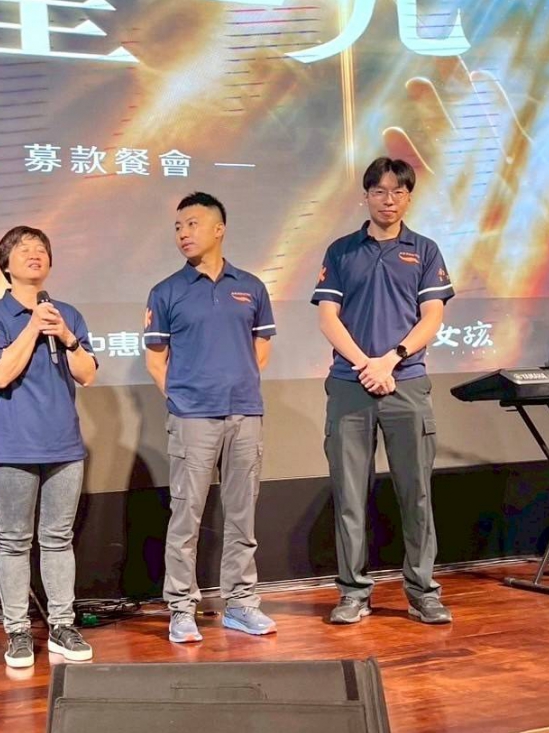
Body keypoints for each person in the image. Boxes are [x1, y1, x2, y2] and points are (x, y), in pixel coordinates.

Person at [311, 157, 455, 625]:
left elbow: (432, 317)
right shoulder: (341, 251)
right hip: (350, 385)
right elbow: (328, 318)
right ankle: (353, 593)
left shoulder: (425, 251)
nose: (388, 200)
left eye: (397, 192)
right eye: (379, 191)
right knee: (350, 495)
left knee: (416, 494)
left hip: (406, 382)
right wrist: (365, 364)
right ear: (366, 196)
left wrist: (391, 359)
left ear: (408, 197)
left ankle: (423, 591)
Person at [144, 192, 277, 644]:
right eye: (178, 226)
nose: (183, 233)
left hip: (245, 414)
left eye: (193, 224)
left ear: (219, 229)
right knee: (186, 516)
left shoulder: (251, 287)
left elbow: (261, 349)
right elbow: (156, 361)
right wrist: (184, 399)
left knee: (242, 515)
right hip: (192, 419)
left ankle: (240, 604)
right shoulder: (166, 291)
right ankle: (182, 608)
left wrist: (235, 384)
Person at [0, 226, 98, 669]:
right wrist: (32, 326)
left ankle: (62, 625)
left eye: (41, 248)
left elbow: (88, 373)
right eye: (24, 249)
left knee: (58, 538)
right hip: (11, 445)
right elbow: (0, 374)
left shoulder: (68, 314)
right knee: (13, 540)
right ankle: (18, 631)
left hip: (63, 444)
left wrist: (66, 335)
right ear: (5, 264)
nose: (35, 254)